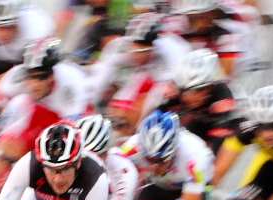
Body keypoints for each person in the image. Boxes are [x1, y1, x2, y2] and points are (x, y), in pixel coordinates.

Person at [0, 37, 89, 195]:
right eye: (30, 76)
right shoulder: (18, 76)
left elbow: (74, 132)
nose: (34, 83)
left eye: (41, 77)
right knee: (15, 109)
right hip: (37, 111)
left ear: (52, 74)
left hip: (66, 117)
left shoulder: (70, 86)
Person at [87, 12, 191, 140]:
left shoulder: (170, 50)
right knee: (122, 95)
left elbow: (163, 91)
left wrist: (136, 123)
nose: (138, 56)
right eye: (135, 51)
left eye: (144, 52)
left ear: (154, 46)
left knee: (152, 95)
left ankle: (135, 134)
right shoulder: (118, 46)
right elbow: (97, 81)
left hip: (167, 77)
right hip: (144, 74)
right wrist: (91, 108)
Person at [158, 48, 238, 154]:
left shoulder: (222, 99)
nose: (187, 97)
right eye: (183, 90)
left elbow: (214, 149)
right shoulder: (172, 93)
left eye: (196, 90)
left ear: (211, 85)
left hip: (209, 134)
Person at [170, 0, 255, 77]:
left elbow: (224, 73)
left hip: (238, 79)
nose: (198, 24)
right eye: (192, 19)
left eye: (202, 17)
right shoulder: (179, 32)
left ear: (213, 14)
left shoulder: (228, 33)